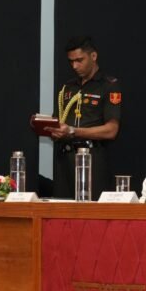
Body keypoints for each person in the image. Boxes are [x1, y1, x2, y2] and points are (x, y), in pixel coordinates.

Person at [49, 36, 121, 199]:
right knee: (61, 207)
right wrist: (50, 129)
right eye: (71, 61)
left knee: (90, 209)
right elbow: (58, 122)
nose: (74, 66)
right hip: (64, 159)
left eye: (79, 60)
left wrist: (73, 131)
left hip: (92, 158)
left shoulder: (108, 85)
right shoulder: (67, 87)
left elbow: (111, 130)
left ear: (93, 56)